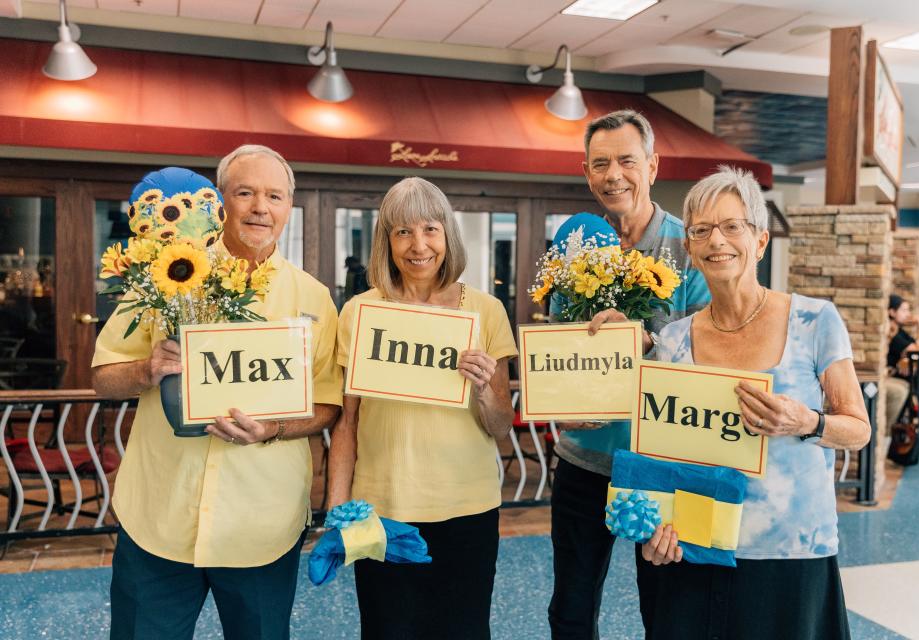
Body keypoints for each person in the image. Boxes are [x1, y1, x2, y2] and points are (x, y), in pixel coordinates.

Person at [92, 145, 343, 640]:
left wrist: (272, 428)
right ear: (218, 201)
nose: (260, 208)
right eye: (244, 192)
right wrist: (147, 368)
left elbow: (328, 405)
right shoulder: (164, 276)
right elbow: (104, 376)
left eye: (274, 195)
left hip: (261, 525)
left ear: (289, 206)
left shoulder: (314, 298)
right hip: (159, 518)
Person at [637, 166, 870, 639]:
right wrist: (654, 528)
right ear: (691, 251)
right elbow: (662, 454)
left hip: (790, 551)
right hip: (697, 545)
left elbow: (857, 429)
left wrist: (805, 421)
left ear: (760, 241)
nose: (716, 240)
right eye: (701, 230)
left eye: (731, 226)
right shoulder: (673, 341)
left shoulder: (814, 320)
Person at [327, 177, 517, 640]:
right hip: (383, 506)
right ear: (386, 242)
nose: (418, 246)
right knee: (387, 629)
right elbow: (347, 423)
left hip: (467, 508)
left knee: (464, 630)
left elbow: (500, 426)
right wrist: (336, 510)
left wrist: (483, 390)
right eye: (403, 232)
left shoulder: (486, 311)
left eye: (430, 229)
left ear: (447, 235)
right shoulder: (359, 312)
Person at [548, 109, 711, 639]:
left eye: (626, 160)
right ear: (586, 172)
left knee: (667, 610)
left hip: (662, 463)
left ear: (653, 166)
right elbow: (560, 348)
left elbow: (711, 359)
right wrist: (566, 403)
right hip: (584, 459)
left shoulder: (693, 250)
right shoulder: (575, 247)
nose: (613, 174)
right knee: (571, 609)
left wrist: (649, 342)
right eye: (600, 164)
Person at [881, 294, 919, 468]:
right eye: (904, 310)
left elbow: (918, 348)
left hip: (904, 378)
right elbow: (918, 349)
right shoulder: (893, 333)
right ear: (892, 312)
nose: (908, 314)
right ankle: (889, 441)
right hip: (895, 378)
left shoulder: (899, 331)